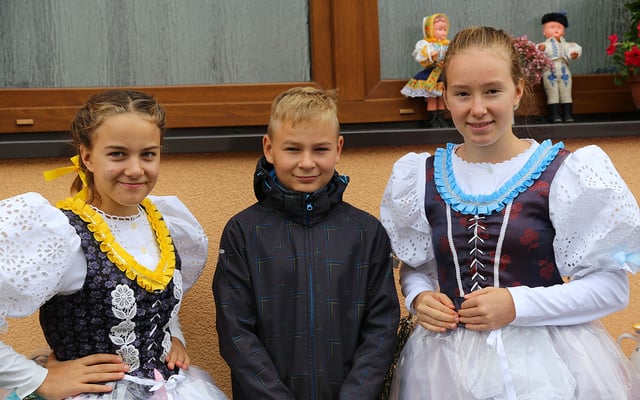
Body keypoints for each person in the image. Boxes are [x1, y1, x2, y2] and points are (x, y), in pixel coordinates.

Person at [380, 26, 640, 400]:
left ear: (517, 91)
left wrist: (517, 304)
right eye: (463, 93)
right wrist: (420, 296)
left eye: (492, 91)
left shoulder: (564, 174)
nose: (478, 108)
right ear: (445, 96)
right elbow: (417, 265)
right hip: (445, 368)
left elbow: (612, 289)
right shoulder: (420, 176)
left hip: (545, 368)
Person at [0, 89, 227, 400]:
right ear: (87, 157)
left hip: (169, 388)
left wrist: (172, 336)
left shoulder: (166, 222)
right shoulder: (63, 236)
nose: (135, 169)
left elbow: (159, 301)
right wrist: (38, 379)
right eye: (118, 154)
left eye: (148, 154)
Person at [213, 86, 400, 399]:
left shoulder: (366, 233)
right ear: (269, 148)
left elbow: (381, 328)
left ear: (338, 148)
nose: (307, 162)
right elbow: (235, 331)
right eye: (293, 149)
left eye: (320, 149)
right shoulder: (243, 232)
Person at [400, 13, 450, 128]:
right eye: (440, 29)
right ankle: (433, 121)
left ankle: (441, 119)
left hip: (443, 73)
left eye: (444, 29)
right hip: (431, 73)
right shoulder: (427, 44)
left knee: (442, 97)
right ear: (430, 31)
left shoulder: (448, 44)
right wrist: (431, 55)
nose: (443, 32)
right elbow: (421, 56)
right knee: (432, 97)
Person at [537, 12, 582, 123]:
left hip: (564, 70)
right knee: (552, 92)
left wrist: (574, 53)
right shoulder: (545, 44)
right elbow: (540, 48)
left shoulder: (566, 44)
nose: (556, 30)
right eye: (552, 27)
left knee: (566, 92)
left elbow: (573, 49)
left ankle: (567, 114)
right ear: (544, 31)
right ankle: (554, 115)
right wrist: (541, 48)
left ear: (564, 31)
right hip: (550, 70)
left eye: (559, 27)